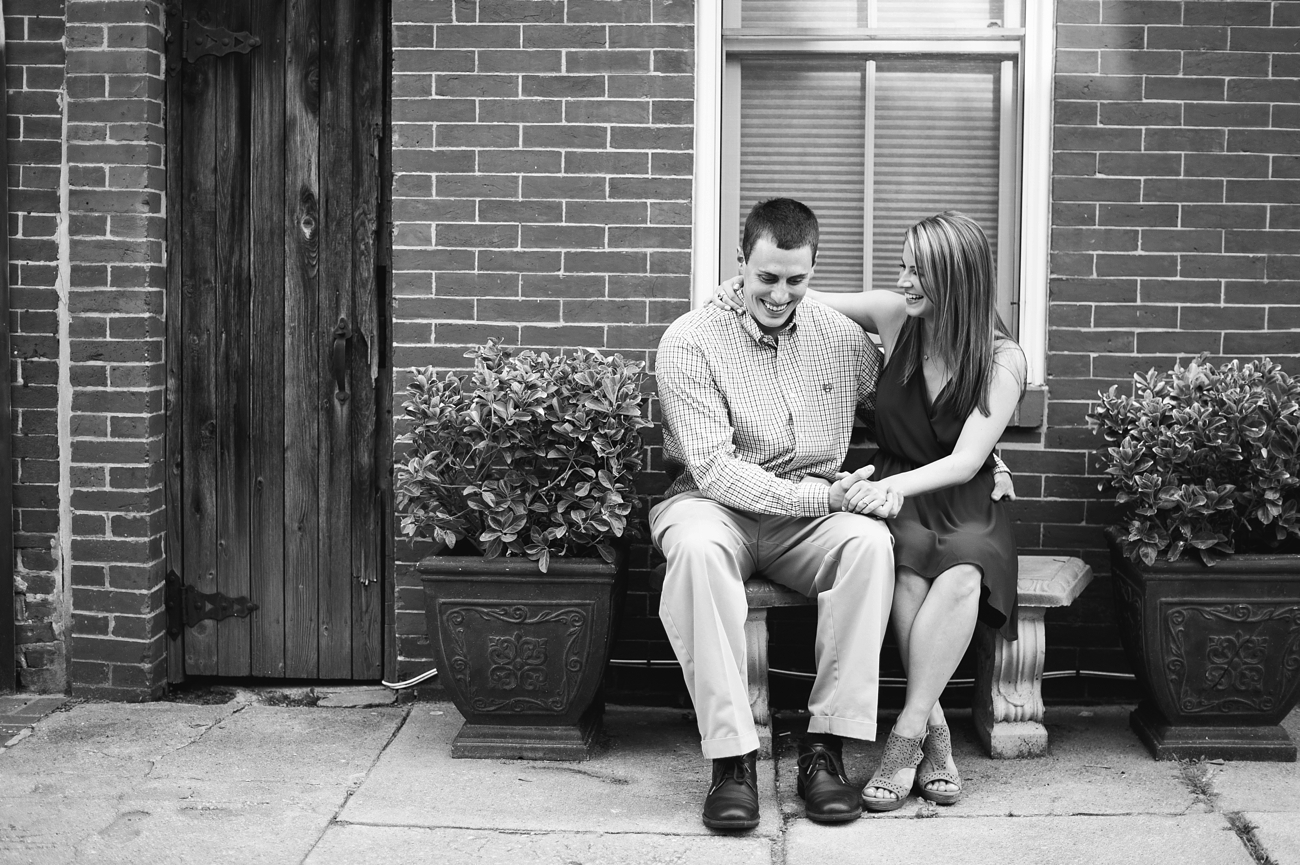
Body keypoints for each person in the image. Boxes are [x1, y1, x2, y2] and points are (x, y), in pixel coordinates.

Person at [717, 211, 1025, 811]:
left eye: (919, 272)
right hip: (897, 486)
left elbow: (965, 461)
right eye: (904, 266)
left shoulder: (1003, 359)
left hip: (961, 498)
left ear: (957, 279)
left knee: (962, 575)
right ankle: (933, 732)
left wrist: (904, 488)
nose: (904, 281)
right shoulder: (893, 316)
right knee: (905, 575)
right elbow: (798, 291)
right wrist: (744, 283)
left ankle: (907, 733)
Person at [653, 198, 901, 830]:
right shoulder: (690, 340)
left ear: (814, 270)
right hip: (712, 506)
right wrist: (825, 496)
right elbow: (714, 469)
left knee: (869, 544)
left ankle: (825, 749)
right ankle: (733, 759)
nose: (780, 293)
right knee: (697, 553)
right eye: (766, 277)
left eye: (797, 279)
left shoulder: (842, 339)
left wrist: (987, 463)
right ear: (741, 263)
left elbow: (909, 412)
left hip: (809, 523)